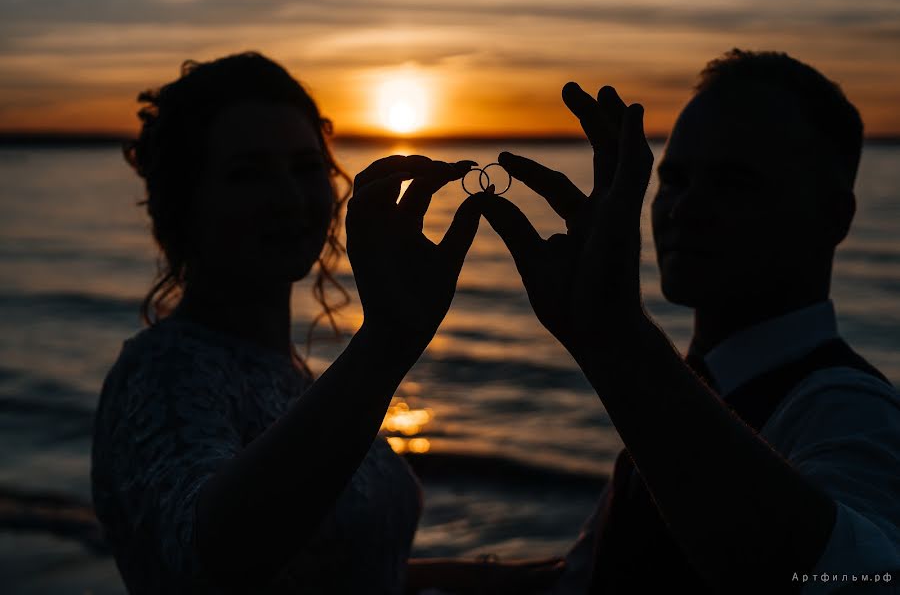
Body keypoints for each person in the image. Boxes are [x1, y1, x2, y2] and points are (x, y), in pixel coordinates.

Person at [90, 52, 561, 594]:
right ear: (182, 201)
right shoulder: (161, 375)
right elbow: (215, 557)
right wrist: (387, 342)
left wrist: (482, 577)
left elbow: (330, 572)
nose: (288, 199)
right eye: (248, 174)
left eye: (305, 167)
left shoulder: (291, 375)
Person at [480, 49, 900, 593]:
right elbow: (588, 576)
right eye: (674, 180)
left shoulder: (848, 412)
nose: (682, 210)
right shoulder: (685, 392)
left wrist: (614, 335)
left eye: (734, 182)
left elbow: (857, 577)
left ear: (833, 217)